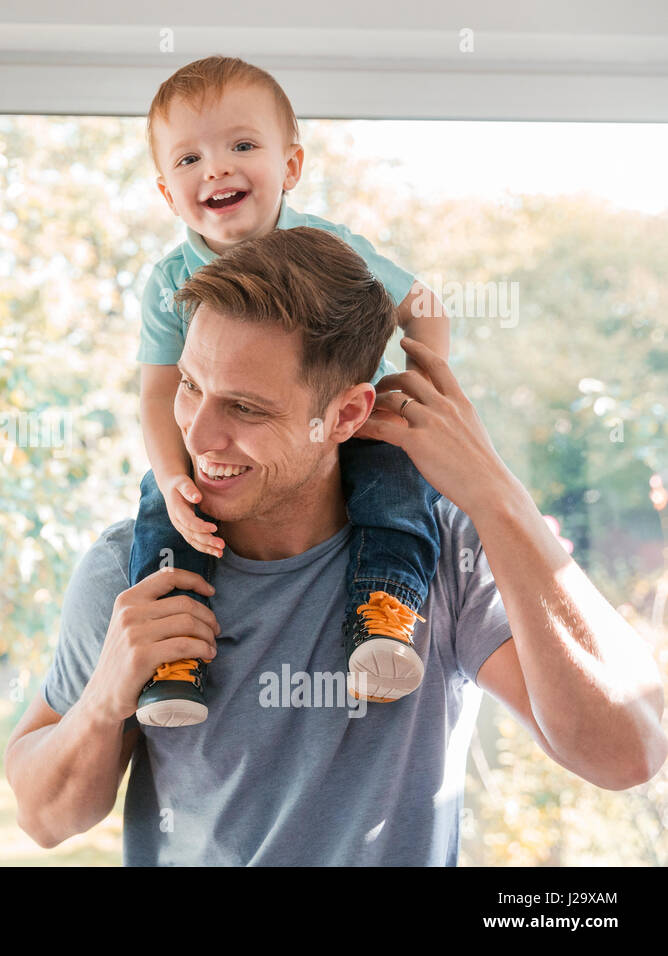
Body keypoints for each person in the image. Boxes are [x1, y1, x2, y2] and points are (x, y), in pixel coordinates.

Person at [3, 226, 667, 866]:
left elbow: (627, 753)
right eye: (190, 386)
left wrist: (497, 494)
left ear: (347, 414)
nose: (199, 435)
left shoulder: (439, 551)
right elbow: (45, 818)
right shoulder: (135, 566)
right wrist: (104, 697)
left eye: (245, 408)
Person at [131, 55, 450, 725]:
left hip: (349, 424)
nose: (215, 168)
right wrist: (169, 479)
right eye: (189, 159)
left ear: (292, 167)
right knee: (163, 516)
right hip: (231, 453)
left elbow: (424, 306)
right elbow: (160, 395)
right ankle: (172, 658)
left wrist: (414, 395)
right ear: (166, 193)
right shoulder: (167, 282)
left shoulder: (331, 249)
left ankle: (385, 619)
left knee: (397, 488)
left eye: (241, 146)